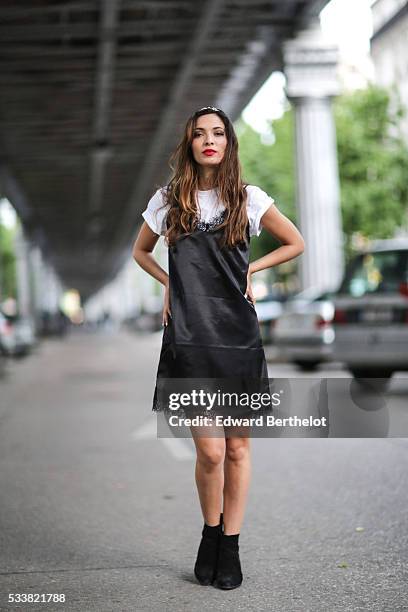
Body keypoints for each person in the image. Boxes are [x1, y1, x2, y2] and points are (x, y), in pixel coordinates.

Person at [132, 106, 304, 590]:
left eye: (218, 133)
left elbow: (295, 242)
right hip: (189, 338)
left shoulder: (248, 199)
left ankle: (229, 545)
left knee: (237, 449)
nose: (209, 140)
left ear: (228, 143)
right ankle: (211, 532)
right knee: (209, 453)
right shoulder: (168, 200)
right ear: (189, 143)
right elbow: (140, 251)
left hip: (237, 338)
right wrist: (171, 283)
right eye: (200, 134)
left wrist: (252, 269)